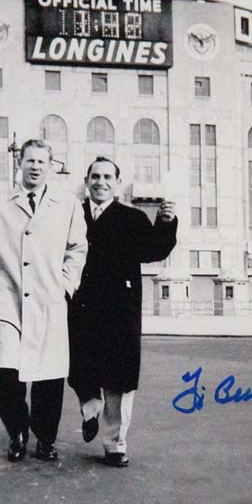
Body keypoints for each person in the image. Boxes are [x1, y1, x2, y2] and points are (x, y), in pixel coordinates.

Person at [0, 139, 87, 462]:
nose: (36, 166)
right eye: (30, 161)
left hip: (47, 300)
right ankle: (17, 432)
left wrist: (66, 286)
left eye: (43, 161)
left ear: (51, 167)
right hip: (6, 302)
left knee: (48, 377)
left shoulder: (67, 204)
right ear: (20, 164)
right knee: (6, 375)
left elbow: (77, 249)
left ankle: (45, 439)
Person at [68, 157, 177, 467]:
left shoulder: (132, 218)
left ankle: (115, 443)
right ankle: (90, 408)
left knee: (119, 378)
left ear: (116, 183)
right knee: (79, 366)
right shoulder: (72, 215)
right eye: (95, 176)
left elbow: (154, 251)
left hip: (119, 309)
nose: (101, 182)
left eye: (107, 177)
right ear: (86, 180)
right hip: (81, 306)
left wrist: (165, 223)